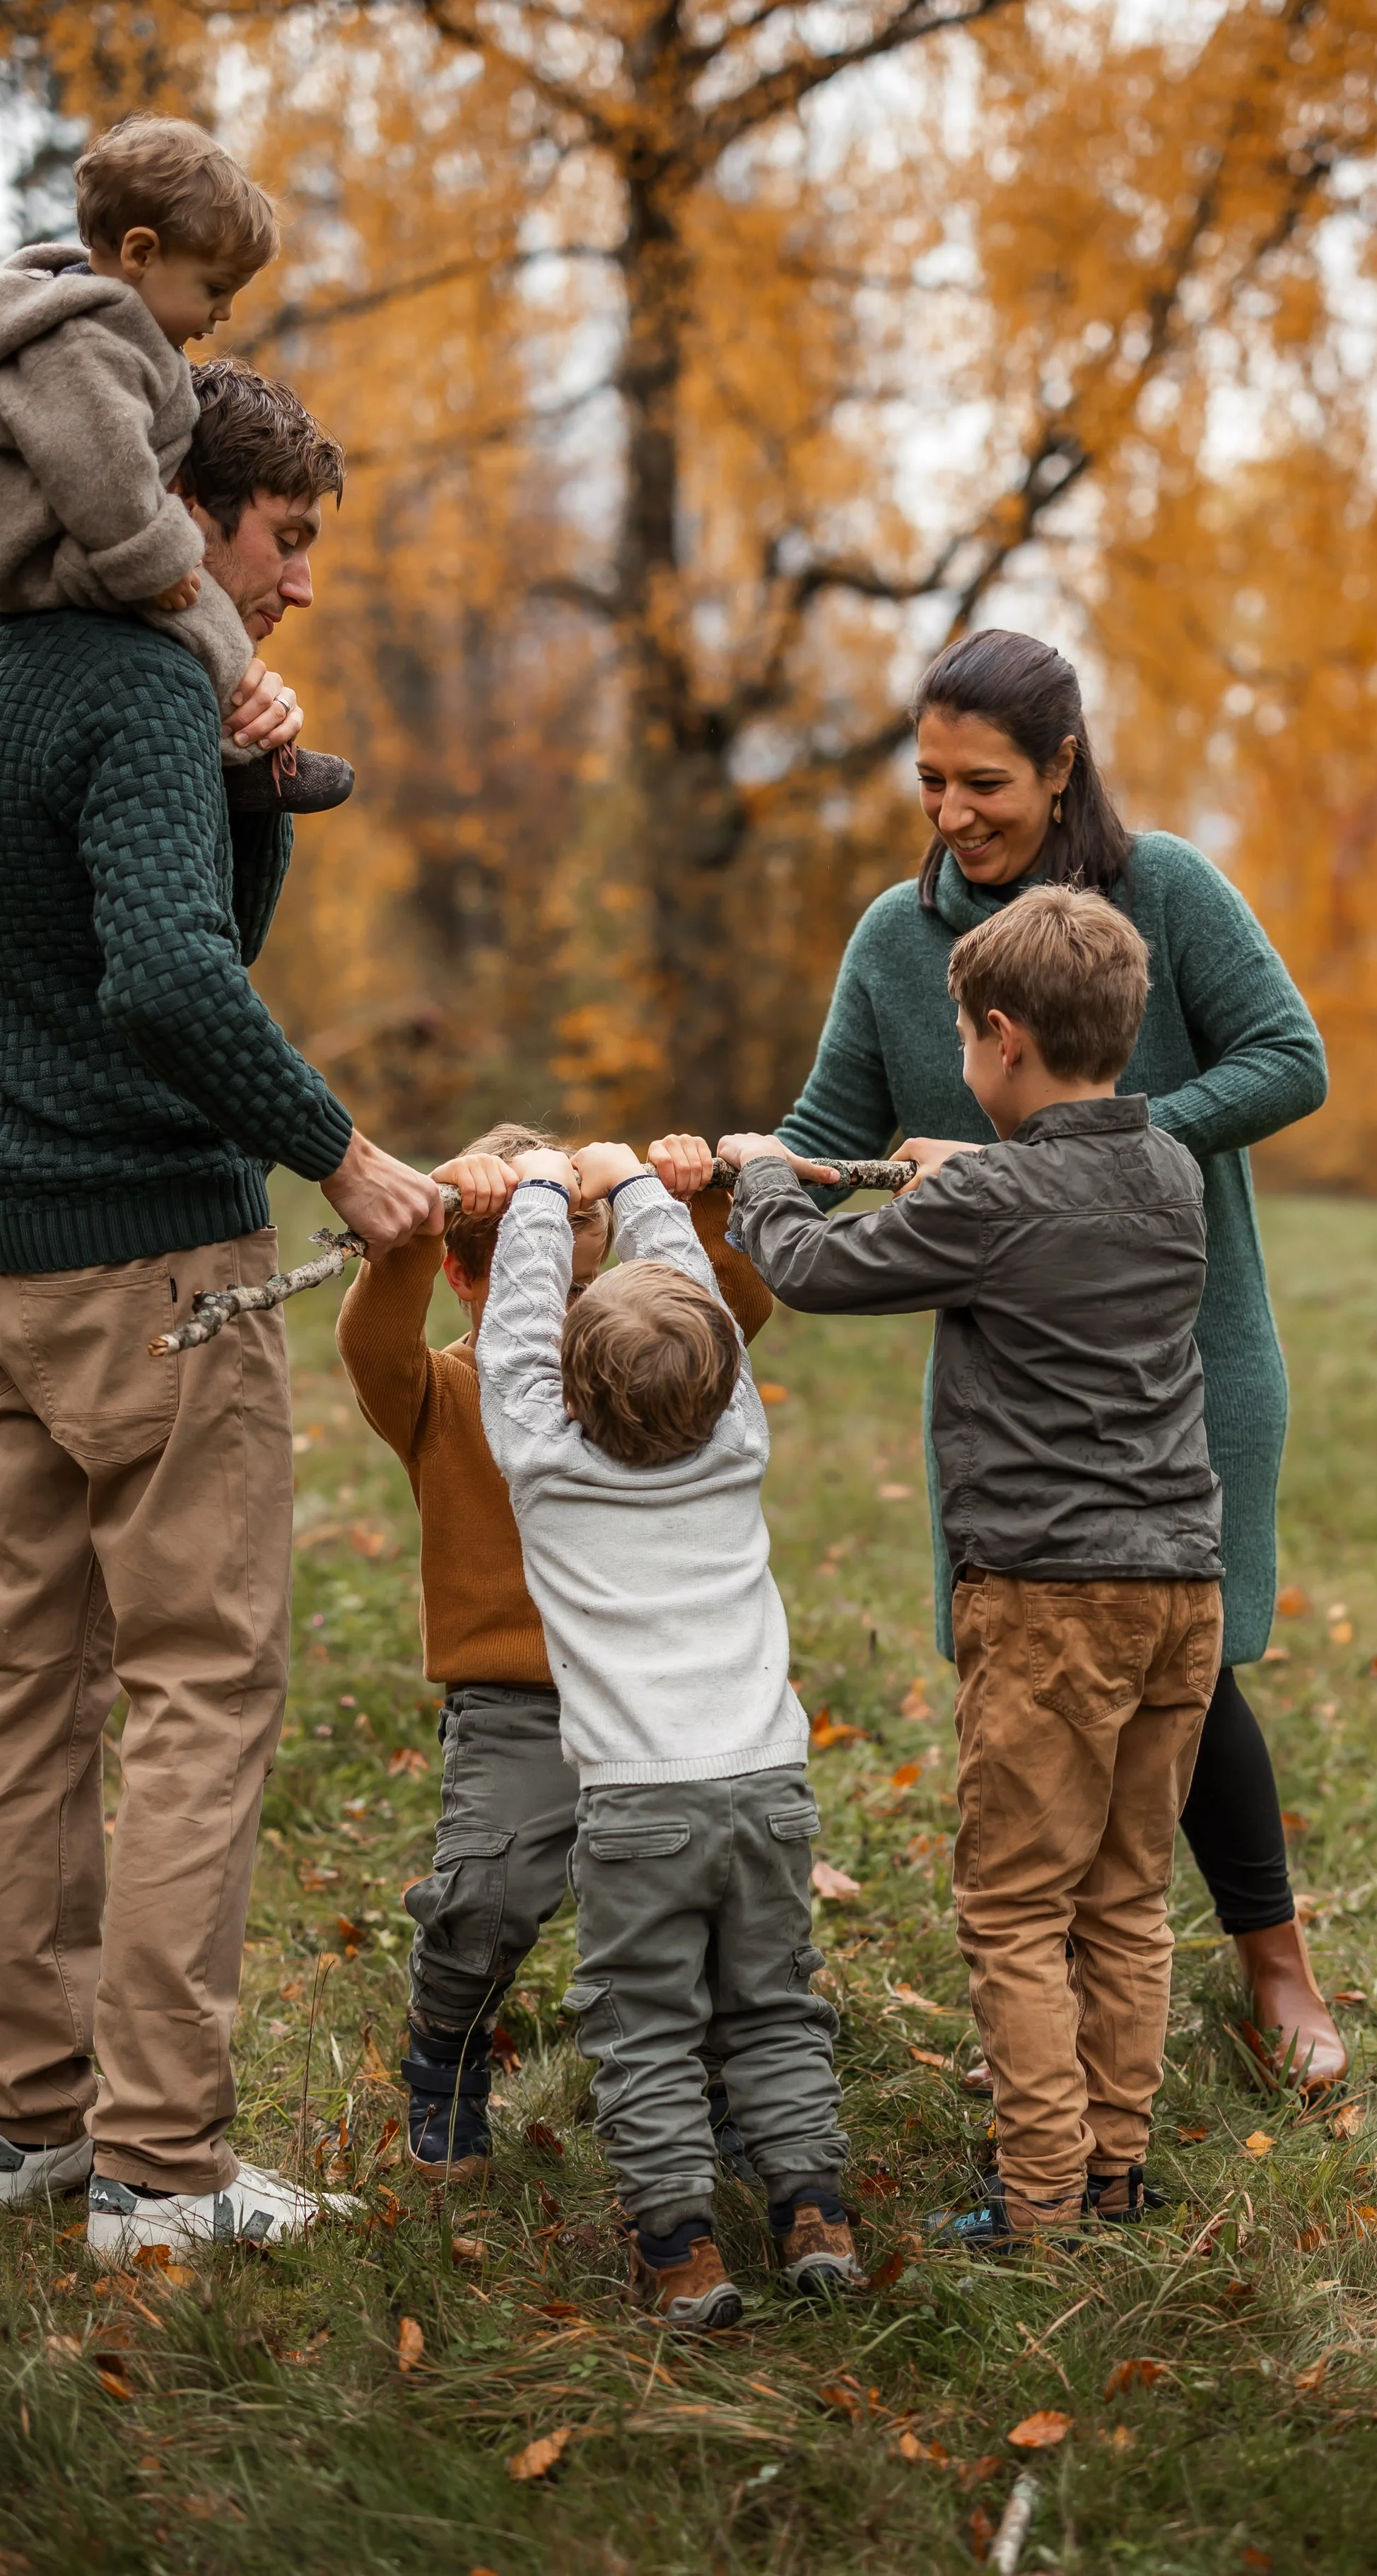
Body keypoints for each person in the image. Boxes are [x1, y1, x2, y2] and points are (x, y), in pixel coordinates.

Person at [770, 628, 1344, 2090]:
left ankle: (1274, 1968)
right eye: (929, 783)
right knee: (1037, 1681)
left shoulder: (1163, 891)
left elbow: (1288, 1059)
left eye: (986, 785)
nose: (953, 815)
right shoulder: (895, 944)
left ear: (1062, 767)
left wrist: (1094, 1151)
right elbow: (824, 1129)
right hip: (1013, 1380)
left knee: (1186, 1673)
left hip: (1189, 1348)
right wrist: (710, 1177)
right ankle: (1067, 2009)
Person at [0, 362, 440, 2263]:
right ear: (179, 505)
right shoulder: (136, 681)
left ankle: (27, 2119)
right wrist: (341, 1155)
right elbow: (177, 976)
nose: (301, 584)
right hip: (155, 1274)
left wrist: (255, 785)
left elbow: (143, 929)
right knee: (198, 1687)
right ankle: (159, 2167)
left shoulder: (16, 663)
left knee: (25, 1700)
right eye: (287, 541)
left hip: (5, 1268)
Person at [722, 887, 1225, 2239]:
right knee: (1125, 1898)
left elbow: (815, 1273)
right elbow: (1044, 1195)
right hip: (1182, 1585)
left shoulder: (998, 1197)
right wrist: (971, 1167)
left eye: (961, 1037)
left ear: (1001, 1038)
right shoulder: (1169, 1169)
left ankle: (1041, 2197)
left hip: (1050, 1596)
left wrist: (759, 1172)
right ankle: (1112, 2171)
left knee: (1013, 1905)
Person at [334, 1122, 774, 2184]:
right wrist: (423, 1212)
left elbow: (734, 1312)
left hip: (659, 1688)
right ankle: (446, 2050)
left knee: (706, 1900)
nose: (562, 1311)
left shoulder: (646, 1384)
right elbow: (369, 1343)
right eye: (541, 1268)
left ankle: (717, 2085)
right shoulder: (438, 1392)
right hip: (517, 1699)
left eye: (585, 1250)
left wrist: (692, 1197)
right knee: (488, 1897)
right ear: (468, 1271)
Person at [474, 1141, 858, 2329]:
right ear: (722, 1375)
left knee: (645, 2026)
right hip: (768, 1782)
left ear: (567, 1381)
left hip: (640, 1807)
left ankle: (680, 2248)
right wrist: (638, 1190)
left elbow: (514, 1329)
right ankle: (812, 2214)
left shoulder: (539, 1459)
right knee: (773, 2003)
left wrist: (539, 1189)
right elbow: (698, 1301)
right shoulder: (737, 1441)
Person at [0, 112, 351, 811]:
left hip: (67, 536)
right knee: (196, 606)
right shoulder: (81, 342)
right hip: (46, 548)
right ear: (140, 253)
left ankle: (244, 744)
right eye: (214, 289)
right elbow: (104, 477)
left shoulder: (104, 331)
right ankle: (245, 751)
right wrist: (158, 558)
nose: (221, 315)